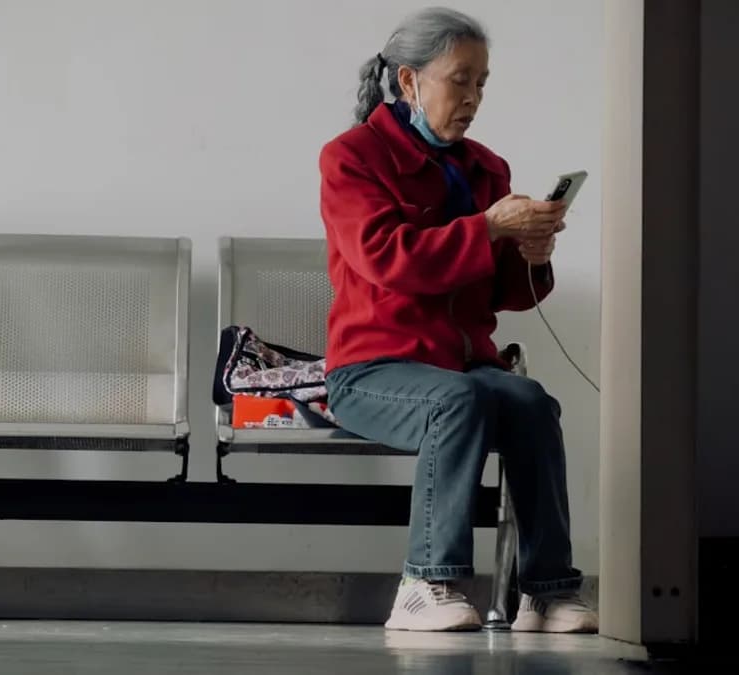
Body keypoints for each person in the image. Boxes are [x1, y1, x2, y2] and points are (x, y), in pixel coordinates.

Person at [319, 7, 598, 634]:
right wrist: (490, 227)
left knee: (529, 401)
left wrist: (533, 256)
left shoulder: (485, 167)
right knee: (460, 399)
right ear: (410, 81)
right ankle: (426, 583)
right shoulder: (350, 159)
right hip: (371, 371)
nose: (473, 98)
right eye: (460, 80)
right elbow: (388, 259)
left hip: (461, 367)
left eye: (482, 84)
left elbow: (502, 294)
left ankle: (547, 592)